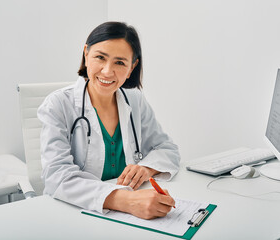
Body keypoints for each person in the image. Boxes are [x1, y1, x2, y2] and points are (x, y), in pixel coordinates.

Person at [37, 21, 180, 219]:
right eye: (100, 57)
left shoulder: (135, 99)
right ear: (86, 54)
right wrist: (127, 201)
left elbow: (167, 149)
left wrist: (146, 169)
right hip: (73, 212)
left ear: (132, 67)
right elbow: (57, 176)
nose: (107, 71)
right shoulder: (58, 104)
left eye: (120, 62)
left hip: (127, 215)